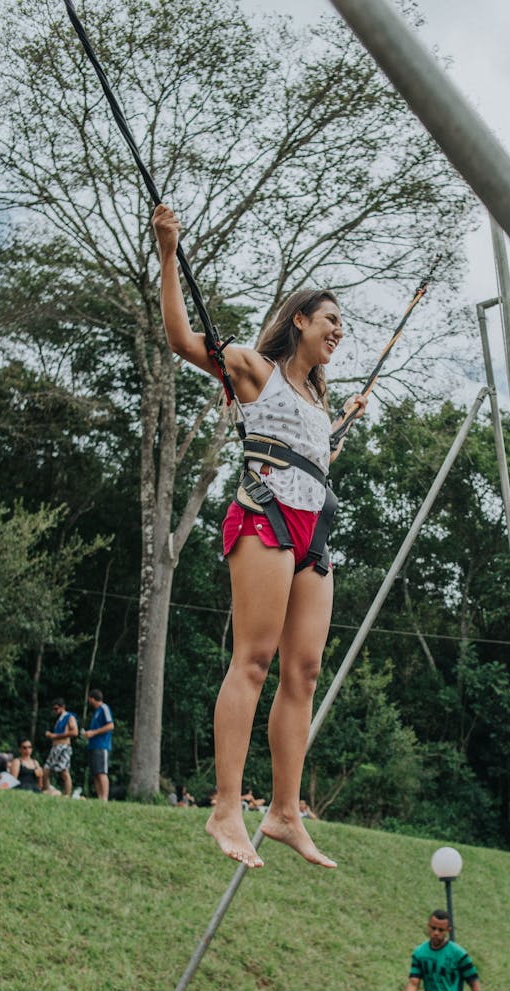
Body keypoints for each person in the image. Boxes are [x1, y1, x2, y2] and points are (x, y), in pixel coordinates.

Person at [152, 203, 366, 870]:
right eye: (331, 319)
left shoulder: (316, 400)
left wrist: (341, 426)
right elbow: (184, 341)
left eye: (343, 325)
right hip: (264, 511)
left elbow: (314, 457)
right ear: (300, 318)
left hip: (313, 529)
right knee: (255, 657)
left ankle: (282, 811)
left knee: (303, 671)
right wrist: (168, 255)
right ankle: (224, 808)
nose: (339, 330)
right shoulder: (253, 370)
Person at [396, 910, 482, 991]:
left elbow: (474, 983)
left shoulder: (458, 954)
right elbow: (414, 983)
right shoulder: (420, 953)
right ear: (428, 926)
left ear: (448, 930)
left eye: (441, 930)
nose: (436, 933)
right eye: (433, 928)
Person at [42, 698, 78, 796]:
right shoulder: (59, 719)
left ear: (63, 707)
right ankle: (46, 790)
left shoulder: (69, 717)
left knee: (64, 771)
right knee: (46, 769)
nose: (55, 711)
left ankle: (67, 794)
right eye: (53, 709)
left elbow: (74, 732)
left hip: (63, 747)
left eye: (56, 709)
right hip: (55, 748)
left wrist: (55, 736)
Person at [84, 689, 114, 802]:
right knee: (95, 773)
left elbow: (110, 725)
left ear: (92, 698)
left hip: (102, 745)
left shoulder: (104, 708)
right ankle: (100, 797)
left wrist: (94, 732)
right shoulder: (96, 712)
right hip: (93, 745)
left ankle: (105, 798)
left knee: (102, 772)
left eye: (90, 699)